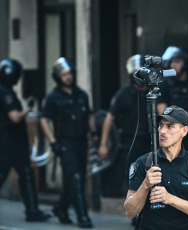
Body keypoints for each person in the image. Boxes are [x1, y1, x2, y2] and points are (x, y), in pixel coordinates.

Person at [124, 105, 188, 230]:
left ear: (184, 131)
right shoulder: (144, 163)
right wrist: (145, 185)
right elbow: (130, 212)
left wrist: (169, 198)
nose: (162, 131)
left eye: (170, 126)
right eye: (160, 125)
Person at [40, 57, 94, 228]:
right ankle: (82, 216)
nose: (68, 77)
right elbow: (44, 120)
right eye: (64, 74)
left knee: (77, 179)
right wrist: (53, 141)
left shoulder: (82, 95)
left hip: (81, 142)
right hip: (65, 143)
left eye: (70, 73)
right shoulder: (53, 97)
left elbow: (90, 116)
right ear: (58, 77)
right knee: (75, 178)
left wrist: (95, 134)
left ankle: (61, 208)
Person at [0, 59, 51, 222]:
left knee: (26, 174)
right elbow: (14, 117)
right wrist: (28, 108)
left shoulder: (4, 90)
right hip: (9, 141)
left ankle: (33, 210)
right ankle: (32, 210)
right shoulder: (5, 92)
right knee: (15, 174)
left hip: (11, 141)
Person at [98, 54, 151, 196]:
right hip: (129, 142)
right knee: (133, 179)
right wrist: (103, 144)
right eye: (136, 71)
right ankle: (136, 212)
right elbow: (109, 118)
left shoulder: (154, 92)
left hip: (150, 142)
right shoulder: (123, 94)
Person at [156, 46, 188, 152]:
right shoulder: (164, 85)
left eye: (178, 61)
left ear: (186, 63)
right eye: (172, 61)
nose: (173, 64)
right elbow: (163, 114)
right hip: (172, 139)